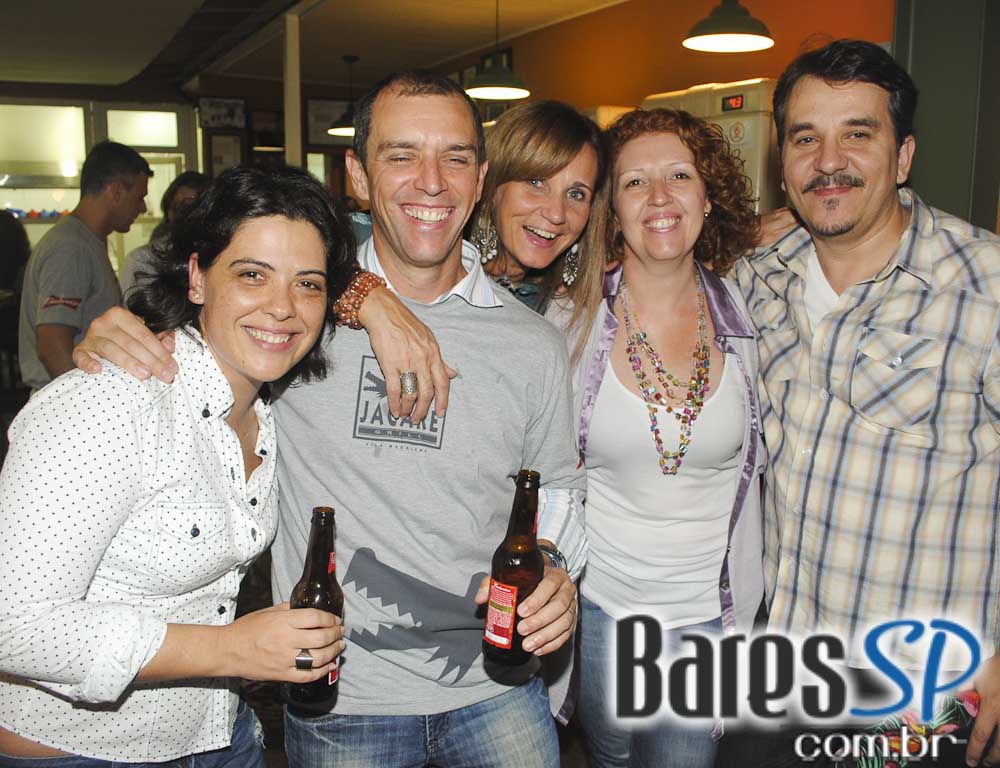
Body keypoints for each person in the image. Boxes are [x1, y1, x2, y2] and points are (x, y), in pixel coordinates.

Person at [68, 71, 586, 768]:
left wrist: (552, 565)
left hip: (495, 685)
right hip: (341, 696)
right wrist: (119, 335)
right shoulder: (292, 318)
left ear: (481, 178)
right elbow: (198, 328)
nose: (431, 182)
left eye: (455, 158)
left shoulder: (533, 343)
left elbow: (557, 489)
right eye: (401, 155)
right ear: (358, 176)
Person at [0, 165, 354, 765]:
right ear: (196, 277)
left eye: (308, 285)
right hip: (78, 751)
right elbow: (13, 625)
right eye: (252, 275)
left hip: (220, 736)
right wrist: (232, 650)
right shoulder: (111, 401)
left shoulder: (269, 411)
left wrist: (385, 313)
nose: (283, 308)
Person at [726, 39, 1000, 766]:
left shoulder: (985, 286)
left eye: (858, 134)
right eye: (805, 139)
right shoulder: (756, 279)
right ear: (781, 162)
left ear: (903, 156)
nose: (828, 161)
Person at [546, 107, 765, 768]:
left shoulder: (756, 311)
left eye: (679, 175)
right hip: (601, 607)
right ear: (612, 209)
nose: (661, 196)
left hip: (707, 616)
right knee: (609, 758)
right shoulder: (569, 319)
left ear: (708, 195)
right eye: (636, 182)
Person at [18, 140, 151, 393]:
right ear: (116, 191)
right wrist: (82, 406)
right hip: (66, 405)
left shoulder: (89, 242)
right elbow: (52, 344)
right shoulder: (70, 248)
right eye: (139, 197)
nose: (142, 208)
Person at [469, 100, 603, 313]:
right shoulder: (439, 288)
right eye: (536, 183)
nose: (556, 214)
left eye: (576, 194)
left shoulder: (576, 313)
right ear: (491, 187)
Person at [119, 170, 209, 296]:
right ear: (168, 213)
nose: (188, 218)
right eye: (181, 208)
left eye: (197, 209)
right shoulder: (143, 261)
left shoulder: (221, 259)